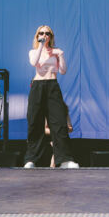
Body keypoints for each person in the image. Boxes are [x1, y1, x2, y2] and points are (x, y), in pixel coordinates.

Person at [24, 26, 79, 169]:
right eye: (41, 33)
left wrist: (60, 55)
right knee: (35, 122)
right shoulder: (33, 51)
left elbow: (63, 71)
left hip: (52, 85)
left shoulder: (56, 52)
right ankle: (31, 159)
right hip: (37, 86)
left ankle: (65, 160)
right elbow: (34, 62)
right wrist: (41, 46)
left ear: (51, 36)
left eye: (47, 33)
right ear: (37, 36)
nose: (44, 35)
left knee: (59, 122)